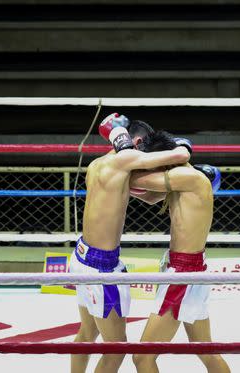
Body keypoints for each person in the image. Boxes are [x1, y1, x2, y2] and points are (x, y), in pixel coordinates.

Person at [70, 114, 191, 373]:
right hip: (101, 269)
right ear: (137, 142)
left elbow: (149, 198)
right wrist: (181, 144)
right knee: (116, 350)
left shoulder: (101, 163)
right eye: (146, 148)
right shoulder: (126, 159)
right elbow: (180, 156)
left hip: (80, 255)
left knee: (87, 333)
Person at [128, 131, 230, 373]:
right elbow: (152, 197)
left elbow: (132, 179)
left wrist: (120, 150)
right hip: (191, 269)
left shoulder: (188, 177)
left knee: (142, 358)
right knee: (204, 349)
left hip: (183, 275)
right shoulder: (185, 178)